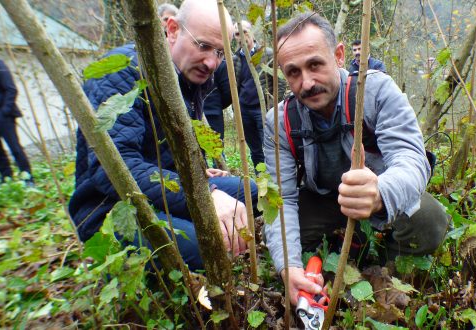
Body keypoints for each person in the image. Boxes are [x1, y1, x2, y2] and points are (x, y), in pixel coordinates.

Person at [263, 13, 449, 305]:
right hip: (326, 201)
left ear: (338, 55)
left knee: (430, 220)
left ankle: (381, 272)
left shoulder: (375, 91)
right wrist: (288, 268)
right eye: (293, 72)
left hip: (381, 197)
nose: (307, 82)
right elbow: (281, 199)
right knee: (281, 232)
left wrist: (379, 194)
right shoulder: (280, 120)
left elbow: (412, 159)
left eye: (315, 65)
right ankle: (319, 269)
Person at [68, 0, 257, 272]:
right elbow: (113, 170)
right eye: (203, 46)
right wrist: (207, 194)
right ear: (171, 30)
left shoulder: (195, 76)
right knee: (205, 245)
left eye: (219, 52)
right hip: (111, 206)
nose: (212, 62)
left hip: (168, 190)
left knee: (249, 193)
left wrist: (200, 173)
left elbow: (175, 146)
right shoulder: (121, 73)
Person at [203, 20, 285, 166]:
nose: (241, 36)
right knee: (255, 150)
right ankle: (261, 179)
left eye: (244, 32)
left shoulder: (267, 54)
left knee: (270, 147)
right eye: (237, 34)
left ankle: (274, 179)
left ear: (252, 33)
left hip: (263, 109)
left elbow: (280, 82)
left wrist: (272, 105)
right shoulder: (234, 59)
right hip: (244, 111)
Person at [0, 59, 33, 183]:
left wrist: (4, 111)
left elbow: (11, 89)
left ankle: (27, 177)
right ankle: (6, 177)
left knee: (15, 148)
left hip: (3, 114)